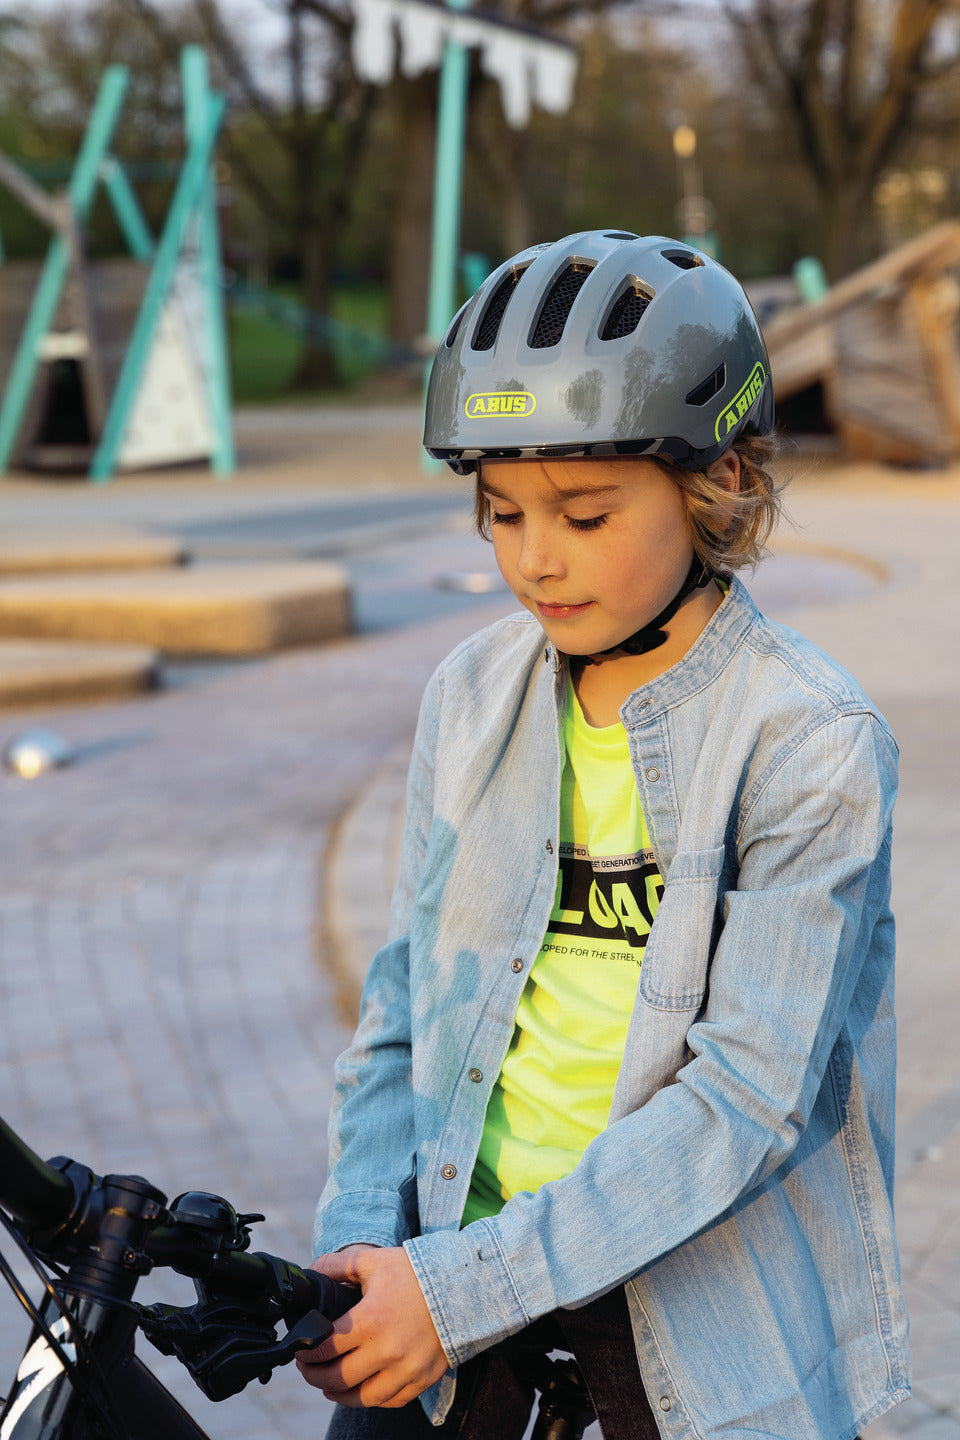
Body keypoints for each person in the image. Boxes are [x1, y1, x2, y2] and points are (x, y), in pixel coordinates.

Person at [296, 231, 909, 1439]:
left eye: (583, 513)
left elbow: (745, 1099)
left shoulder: (809, 740)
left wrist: (464, 1288)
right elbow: (408, 1002)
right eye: (504, 509)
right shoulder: (470, 697)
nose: (534, 558)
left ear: (718, 482)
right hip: (446, 1298)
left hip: (681, 1331)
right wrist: (362, 1246)